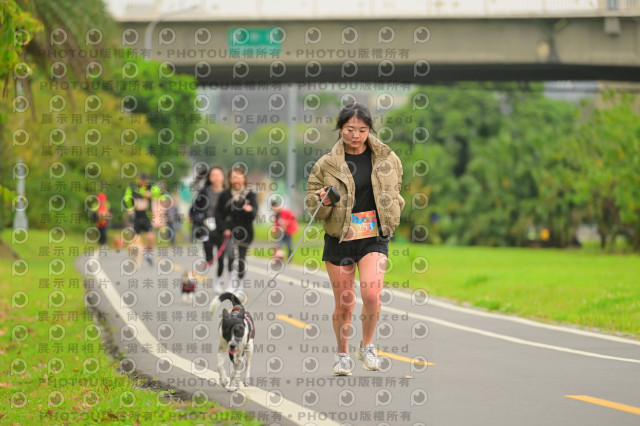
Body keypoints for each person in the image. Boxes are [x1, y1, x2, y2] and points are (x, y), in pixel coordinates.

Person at [305, 102, 405, 376]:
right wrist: (321, 200)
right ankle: (342, 355)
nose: (356, 135)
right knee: (345, 302)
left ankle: (367, 346)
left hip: (374, 236)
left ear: (369, 129)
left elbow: (395, 188)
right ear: (340, 129)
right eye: (350, 129)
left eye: (362, 129)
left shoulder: (387, 158)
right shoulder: (325, 164)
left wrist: (395, 210)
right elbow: (312, 204)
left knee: (371, 294)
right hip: (340, 238)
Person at [216, 166, 258, 296]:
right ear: (229, 179)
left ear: (244, 178)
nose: (236, 180)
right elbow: (218, 214)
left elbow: (254, 213)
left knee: (241, 259)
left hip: (245, 232)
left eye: (239, 177)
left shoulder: (250, 195)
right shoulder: (224, 195)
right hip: (229, 231)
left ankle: (240, 286)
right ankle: (231, 284)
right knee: (230, 257)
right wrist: (224, 229)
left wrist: (250, 210)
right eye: (233, 177)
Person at [190, 166, 229, 293]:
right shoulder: (204, 192)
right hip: (206, 229)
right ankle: (191, 277)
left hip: (222, 229)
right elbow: (194, 210)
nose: (216, 177)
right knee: (210, 260)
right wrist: (198, 219)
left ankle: (218, 282)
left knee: (222, 258)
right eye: (213, 175)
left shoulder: (227, 193)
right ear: (210, 178)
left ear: (223, 177)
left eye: (219, 175)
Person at [123, 172, 163, 266]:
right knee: (137, 239)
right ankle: (136, 254)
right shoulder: (132, 187)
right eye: (142, 180)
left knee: (150, 237)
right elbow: (127, 198)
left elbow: (158, 192)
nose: (143, 182)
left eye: (145, 181)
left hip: (146, 215)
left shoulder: (150, 186)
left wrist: (151, 194)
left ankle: (148, 254)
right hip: (136, 215)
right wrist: (130, 209)